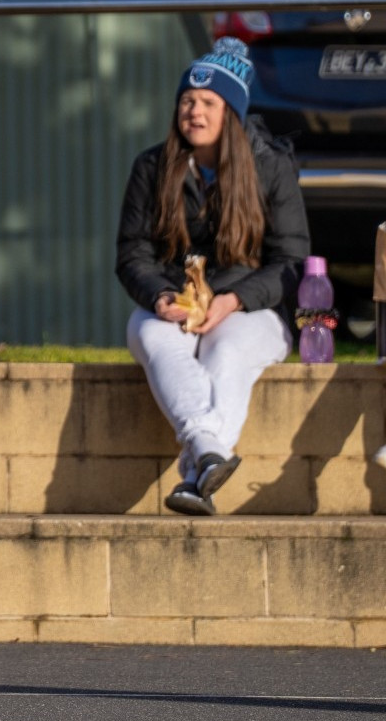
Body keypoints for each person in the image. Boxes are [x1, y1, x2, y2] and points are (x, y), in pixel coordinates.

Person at [119, 38, 307, 517]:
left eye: (208, 103)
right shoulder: (151, 167)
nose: (194, 112)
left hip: (251, 308)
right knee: (154, 339)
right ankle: (208, 455)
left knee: (227, 351)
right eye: (187, 101)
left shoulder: (271, 167)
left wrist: (232, 301)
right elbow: (132, 254)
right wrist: (160, 296)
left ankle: (195, 469)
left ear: (233, 114)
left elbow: (290, 262)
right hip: (174, 304)